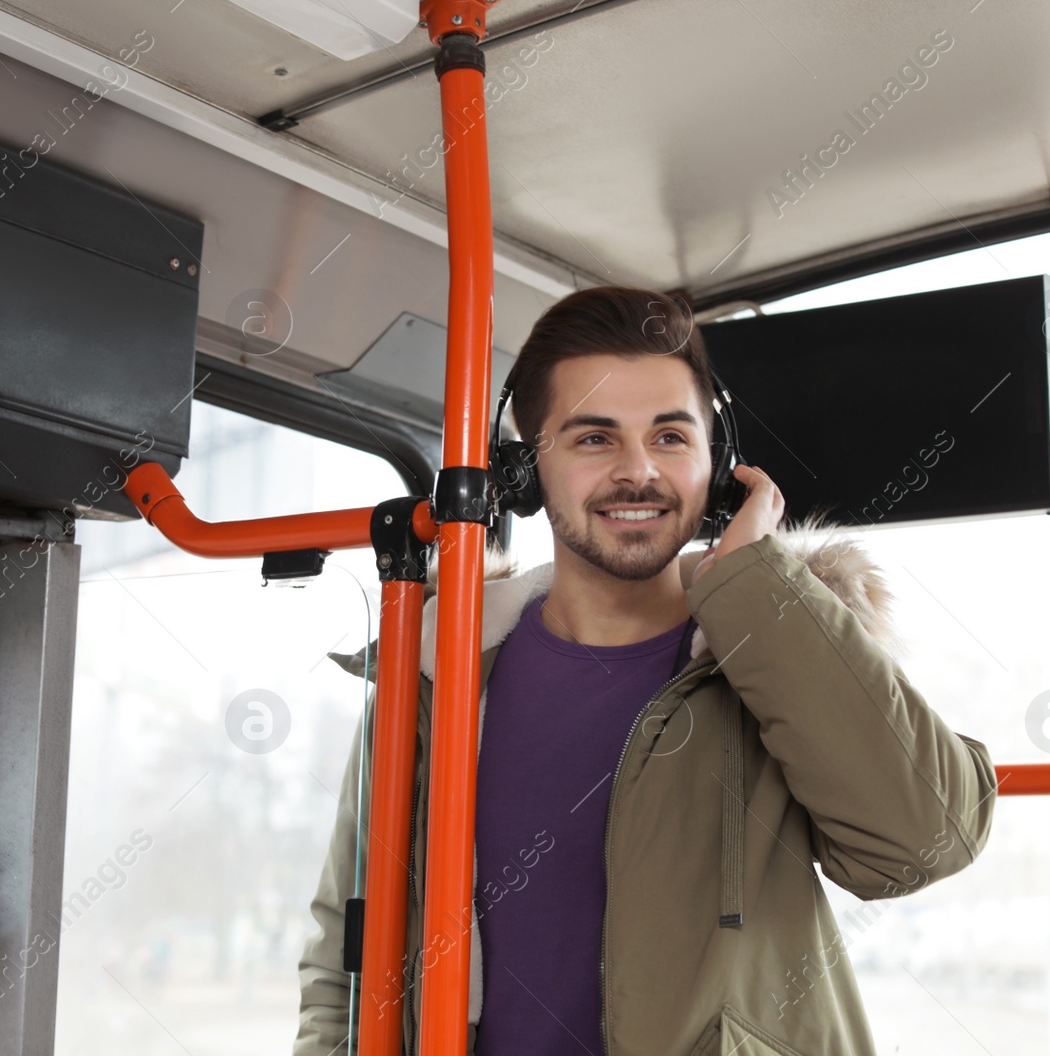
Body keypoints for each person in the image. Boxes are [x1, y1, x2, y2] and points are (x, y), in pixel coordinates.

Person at [294, 286, 998, 1056]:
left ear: (717, 463)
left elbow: (925, 841)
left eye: (670, 436)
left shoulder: (771, 652)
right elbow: (346, 950)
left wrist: (761, 586)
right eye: (595, 439)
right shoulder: (441, 671)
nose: (640, 473)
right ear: (529, 471)